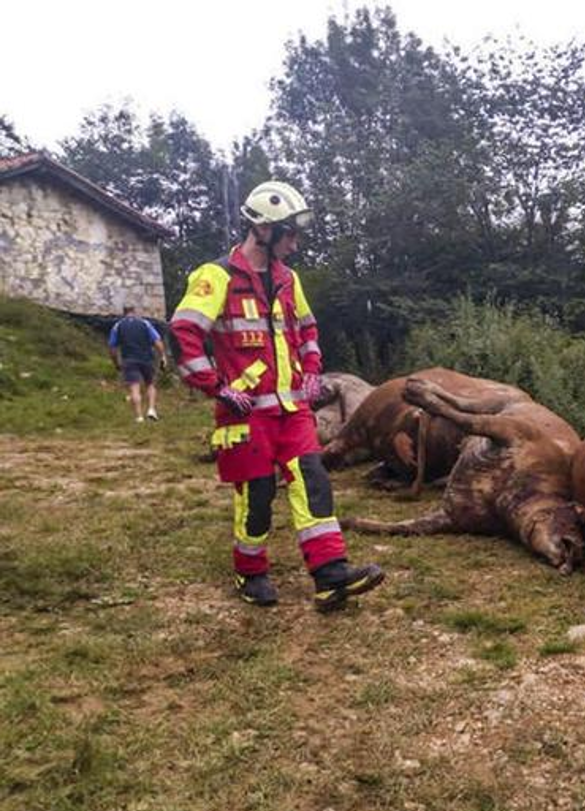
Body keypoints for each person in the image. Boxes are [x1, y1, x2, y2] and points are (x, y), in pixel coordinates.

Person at [170, 180, 385, 611]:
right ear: (263, 231)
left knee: (314, 485)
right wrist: (217, 388)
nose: (296, 243)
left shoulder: (289, 280)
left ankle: (330, 576)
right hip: (245, 415)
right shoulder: (217, 277)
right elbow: (183, 335)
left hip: (293, 411)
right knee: (257, 499)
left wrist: (311, 372)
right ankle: (250, 572)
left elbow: (306, 330)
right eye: (290, 233)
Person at [108, 304, 166, 422]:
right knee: (150, 384)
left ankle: (139, 417)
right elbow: (157, 341)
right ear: (135, 311)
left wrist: (116, 362)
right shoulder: (145, 323)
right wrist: (162, 356)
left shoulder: (118, 326)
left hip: (129, 360)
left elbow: (112, 347)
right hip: (147, 359)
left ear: (123, 312)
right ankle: (151, 410)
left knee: (134, 388)